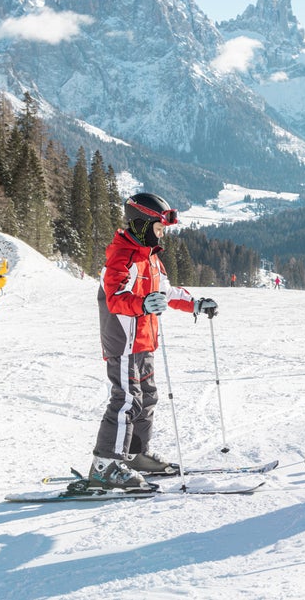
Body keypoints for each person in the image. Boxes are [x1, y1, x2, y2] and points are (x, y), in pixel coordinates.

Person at [90, 192, 219, 490]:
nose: (162, 235)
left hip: (145, 341)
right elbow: (116, 298)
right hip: (123, 341)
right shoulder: (120, 257)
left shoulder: (151, 258)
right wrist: (144, 304)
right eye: (159, 229)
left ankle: (134, 454)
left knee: (147, 397)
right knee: (125, 399)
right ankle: (105, 464)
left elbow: (167, 292)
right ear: (141, 225)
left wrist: (196, 304)